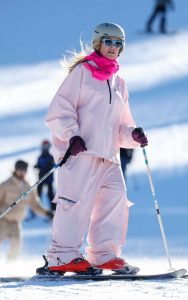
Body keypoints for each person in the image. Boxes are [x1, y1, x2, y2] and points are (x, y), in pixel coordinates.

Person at [39, 22, 148, 275]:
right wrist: (72, 136)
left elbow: (121, 123)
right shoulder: (82, 72)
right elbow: (59, 110)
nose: (113, 47)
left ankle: (104, 255)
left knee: (115, 201)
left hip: (109, 157)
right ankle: (61, 256)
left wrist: (132, 134)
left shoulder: (119, 81)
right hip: (81, 153)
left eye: (118, 43)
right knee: (75, 204)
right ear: (98, 43)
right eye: (109, 41)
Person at [0, 160, 53, 261]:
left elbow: (35, 205)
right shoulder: (5, 185)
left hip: (16, 221)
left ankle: (10, 265)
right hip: (3, 219)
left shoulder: (28, 187)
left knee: (17, 243)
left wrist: (47, 213)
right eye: (19, 169)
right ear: (15, 170)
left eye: (23, 170)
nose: (21, 172)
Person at [34, 140, 56, 212]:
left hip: (49, 178)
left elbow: (53, 166)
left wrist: (49, 166)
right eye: (44, 146)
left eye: (46, 146)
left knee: (50, 194)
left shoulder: (51, 157)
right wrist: (37, 166)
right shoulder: (40, 157)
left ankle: (53, 209)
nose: (45, 148)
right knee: (38, 194)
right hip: (41, 178)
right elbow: (39, 165)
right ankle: (36, 209)